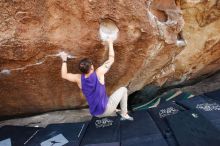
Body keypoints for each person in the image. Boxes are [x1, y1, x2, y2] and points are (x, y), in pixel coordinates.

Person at [60, 39, 133, 120]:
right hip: (106, 110)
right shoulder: (99, 73)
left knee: (104, 97)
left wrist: (64, 60)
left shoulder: (79, 79)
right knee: (123, 90)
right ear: (91, 67)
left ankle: (113, 109)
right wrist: (110, 42)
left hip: (95, 114)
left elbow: (64, 75)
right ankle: (124, 114)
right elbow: (111, 59)